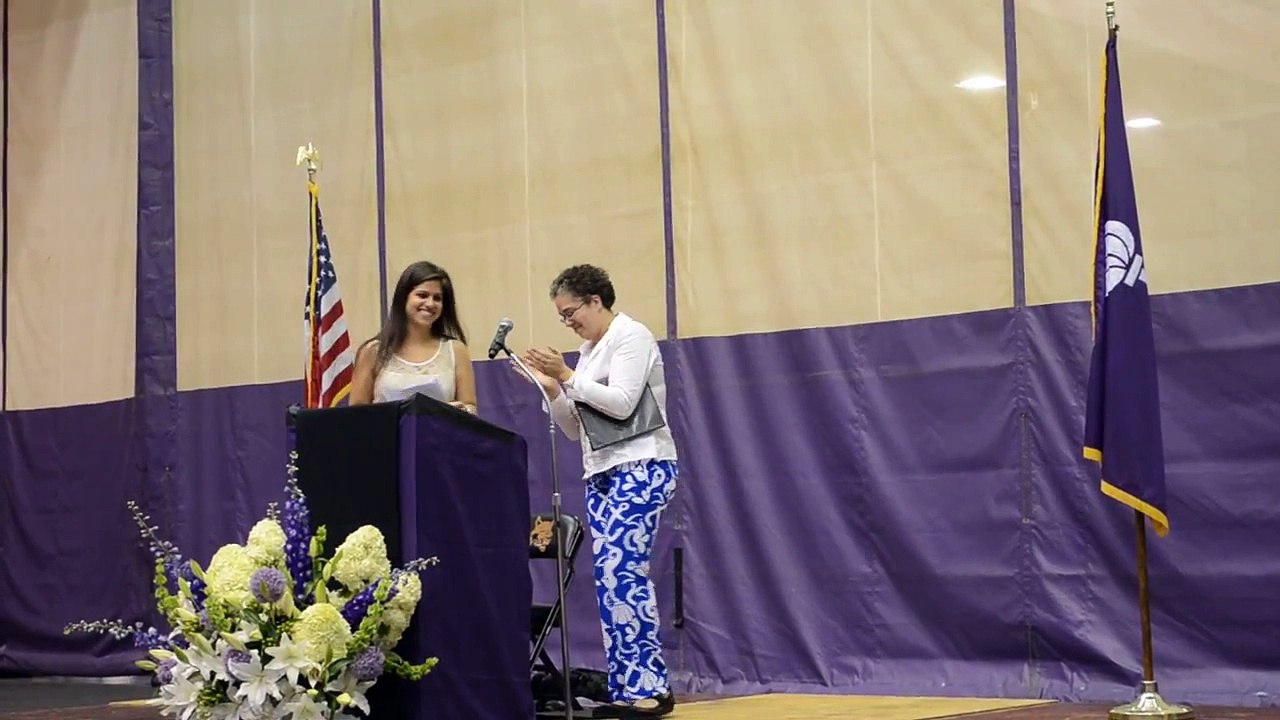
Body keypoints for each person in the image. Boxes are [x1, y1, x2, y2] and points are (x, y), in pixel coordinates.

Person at [517, 264, 678, 718]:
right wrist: (552, 389)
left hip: (641, 464)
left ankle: (649, 688)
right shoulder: (588, 353)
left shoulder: (631, 336)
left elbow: (623, 403)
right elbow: (574, 428)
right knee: (610, 581)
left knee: (625, 573)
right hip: (603, 471)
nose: (568, 322)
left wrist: (566, 375)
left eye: (571, 312)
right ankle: (629, 687)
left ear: (595, 300)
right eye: (562, 316)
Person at [350, 260, 477, 413]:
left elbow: (470, 408)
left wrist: (459, 410)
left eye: (437, 298)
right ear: (404, 297)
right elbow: (356, 414)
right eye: (422, 295)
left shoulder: (456, 350)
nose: (430, 303)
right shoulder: (373, 351)